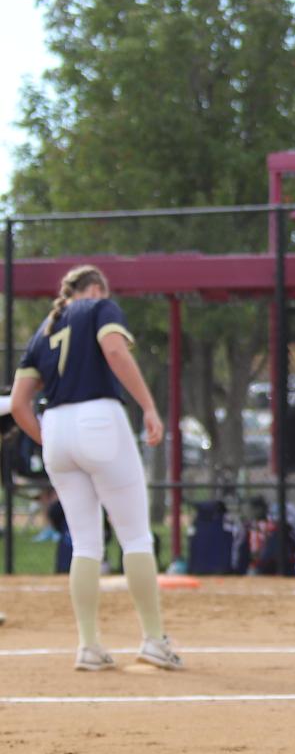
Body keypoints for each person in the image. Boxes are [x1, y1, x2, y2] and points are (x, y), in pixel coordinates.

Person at [8, 265, 183, 671]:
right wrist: (149, 407)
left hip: (56, 427)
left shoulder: (44, 330)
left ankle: (89, 645)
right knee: (136, 536)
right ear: (96, 288)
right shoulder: (100, 307)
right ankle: (154, 639)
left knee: (85, 543)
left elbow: (19, 405)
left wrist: (48, 438)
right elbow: (116, 351)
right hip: (100, 419)